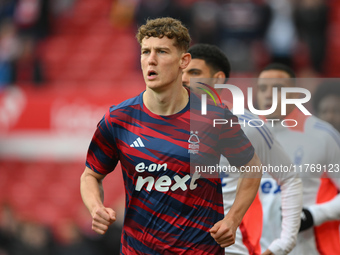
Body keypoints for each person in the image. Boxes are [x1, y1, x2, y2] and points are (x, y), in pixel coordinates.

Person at [80, 17, 263, 255]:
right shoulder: (119, 119)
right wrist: (96, 208)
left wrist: (233, 219)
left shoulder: (215, 118)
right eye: (145, 51)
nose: (151, 60)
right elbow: (90, 176)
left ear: (183, 61)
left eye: (162, 51)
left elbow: (252, 168)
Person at [182, 43, 302, 255]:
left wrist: (285, 242)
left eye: (194, 72)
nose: (184, 79)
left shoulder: (247, 125)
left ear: (218, 79)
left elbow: (290, 177)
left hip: (230, 248)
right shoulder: (162, 126)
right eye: (181, 72)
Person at [256, 63, 340, 254]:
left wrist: (313, 214)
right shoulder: (240, 134)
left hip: (306, 247)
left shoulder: (323, 135)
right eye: (263, 89)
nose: (269, 95)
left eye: (278, 88)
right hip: (255, 248)